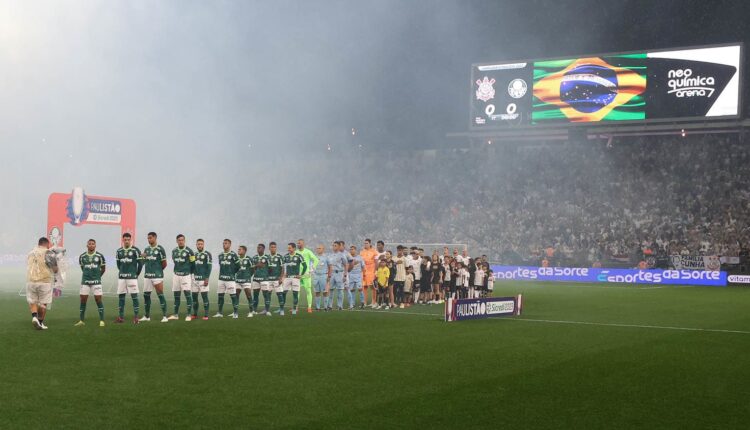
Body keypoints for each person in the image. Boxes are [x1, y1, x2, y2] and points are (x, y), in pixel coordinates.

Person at [26, 237, 58, 330]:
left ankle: (34, 316)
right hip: (45, 281)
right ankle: (40, 322)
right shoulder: (49, 253)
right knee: (43, 303)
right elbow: (55, 270)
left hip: (31, 281)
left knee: (33, 301)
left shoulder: (30, 253)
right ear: (47, 244)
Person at [75, 239, 106, 327]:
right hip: (85, 282)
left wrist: (97, 277)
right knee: (83, 300)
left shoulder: (100, 256)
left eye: (93, 244)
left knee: (98, 300)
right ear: (87, 245)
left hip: (96, 282)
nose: (91, 245)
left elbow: (103, 269)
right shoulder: (82, 256)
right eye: (90, 244)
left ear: (95, 245)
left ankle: (102, 320)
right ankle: (81, 320)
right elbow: (83, 268)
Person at [140, 232, 169, 323]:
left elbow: (164, 264)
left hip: (157, 276)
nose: (149, 240)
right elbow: (143, 262)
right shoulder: (146, 249)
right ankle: (147, 316)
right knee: (146, 296)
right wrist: (143, 257)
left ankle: (165, 316)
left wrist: (158, 271)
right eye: (148, 238)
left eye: (150, 238)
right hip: (147, 276)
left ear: (155, 238)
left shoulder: (160, 249)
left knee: (160, 294)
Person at [116, 232, 143, 324]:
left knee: (134, 297)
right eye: (125, 239)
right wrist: (123, 272)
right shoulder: (119, 251)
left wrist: (136, 274)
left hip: (132, 278)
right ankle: (121, 317)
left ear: (131, 240)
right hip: (122, 278)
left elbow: (140, 264)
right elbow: (118, 265)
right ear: (123, 240)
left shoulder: (135, 250)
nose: (127, 241)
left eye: (128, 239)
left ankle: (136, 317)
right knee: (121, 297)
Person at [169, 234, 195, 321]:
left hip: (186, 276)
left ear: (184, 240)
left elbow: (193, 264)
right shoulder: (174, 251)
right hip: (176, 275)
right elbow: (174, 261)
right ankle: (176, 315)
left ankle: (188, 315)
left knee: (187, 295)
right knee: (176, 296)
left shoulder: (190, 251)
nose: (181, 241)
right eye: (179, 240)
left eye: (182, 240)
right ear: (177, 241)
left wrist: (190, 273)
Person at [215, 239, 240, 318]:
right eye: (223, 243)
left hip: (230, 279)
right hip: (221, 278)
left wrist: (232, 273)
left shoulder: (233, 255)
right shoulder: (220, 255)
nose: (224, 245)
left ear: (230, 244)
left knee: (233, 296)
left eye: (226, 243)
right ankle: (219, 312)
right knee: (220, 296)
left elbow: (238, 266)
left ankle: (235, 313)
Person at [282, 242, 307, 315]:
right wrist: (283, 274)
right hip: (287, 278)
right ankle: (281, 308)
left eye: (289, 248)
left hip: (296, 278)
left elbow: (305, 266)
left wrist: (301, 275)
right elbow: (283, 266)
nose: (288, 249)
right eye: (288, 248)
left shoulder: (299, 256)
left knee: (295, 294)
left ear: (294, 248)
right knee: (283, 293)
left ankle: (294, 309)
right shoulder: (286, 256)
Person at [191, 239, 212, 320]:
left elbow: (209, 267)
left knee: (204, 297)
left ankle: (206, 315)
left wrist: (207, 278)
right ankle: (195, 314)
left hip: (203, 279)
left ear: (203, 245)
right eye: (198, 244)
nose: (200, 245)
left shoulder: (207, 254)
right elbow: (192, 266)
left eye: (201, 244)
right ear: (196, 245)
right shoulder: (193, 254)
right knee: (194, 298)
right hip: (194, 279)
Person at [297, 239, 319, 314]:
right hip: (298, 275)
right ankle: (295, 307)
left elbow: (316, 260)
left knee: (308, 291)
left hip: (306, 274)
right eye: (297, 243)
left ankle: (309, 307)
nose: (298, 244)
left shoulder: (308, 251)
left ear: (303, 244)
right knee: (297, 291)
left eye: (299, 243)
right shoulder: (296, 252)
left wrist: (312, 268)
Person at [250, 243, 269, 315]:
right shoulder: (254, 257)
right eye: (257, 248)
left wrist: (266, 275)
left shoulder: (267, 257)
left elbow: (270, 268)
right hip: (256, 279)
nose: (258, 249)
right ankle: (254, 310)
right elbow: (252, 268)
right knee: (255, 295)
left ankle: (267, 310)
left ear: (263, 249)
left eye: (260, 248)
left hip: (264, 279)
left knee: (266, 295)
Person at [235, 245, 254, 319]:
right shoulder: (236, 259)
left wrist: (249, 276)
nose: (238, 250)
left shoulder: (249, 259)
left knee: (248, 295)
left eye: (240, 249)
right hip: (238, 280)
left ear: (244, 251)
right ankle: (235, 312)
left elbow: (252, 269)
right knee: (236, 296)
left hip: (246, 280)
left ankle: (251, 312)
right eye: (238, 249)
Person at [328, 241, 348, 311]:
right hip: (332, 274)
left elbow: (346, 265)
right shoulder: (330, 255)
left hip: (339, 273)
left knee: (340, 290)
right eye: (333, 245)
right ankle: (329, 305)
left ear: (339, 247)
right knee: (330, 290)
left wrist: (345, 275)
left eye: (335, 245)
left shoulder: (342, 255)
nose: (333, 247)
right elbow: (329, 266)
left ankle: (340, 305)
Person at [267, 242, 285, 315]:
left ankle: (282, 310)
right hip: (268, 279)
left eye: (274, 247)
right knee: (268, 294)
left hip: (277, 279)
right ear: (269, 248)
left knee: (279, 294)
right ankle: (267, 310)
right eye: (272, 247)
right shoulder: (267, 257)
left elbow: (283, 268)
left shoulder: (279, 257)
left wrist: (281, 278)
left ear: (276, 248)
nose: (273, 248)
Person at [312, 245, 331, 311]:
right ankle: (318, 307)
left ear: (323, 249)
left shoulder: (326, 257)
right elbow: (312, 266)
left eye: (319, 248)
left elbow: (330, 266)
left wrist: (329, 276)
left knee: (325, 292)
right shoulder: (314, 257)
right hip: (316, 276)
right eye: (317, 248)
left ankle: (325, 307)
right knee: (317, 291)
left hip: (323, 275)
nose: (318, 249)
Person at [360, 239, 378, 308]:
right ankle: (364, 302)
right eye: (364, 243)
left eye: (367, 243)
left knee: (372, 286)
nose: (365, 244)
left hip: (371, 270)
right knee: (364, 286)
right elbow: (361, 262)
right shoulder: (362, 252)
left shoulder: (374, 251)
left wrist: (376, 271)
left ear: (370, 244)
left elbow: (376, 262)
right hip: (364, 270)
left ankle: (373, 302)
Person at [347, 245, 365, 310]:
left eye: (352, 249)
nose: (351, 250)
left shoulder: (360, 257)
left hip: (358, 275)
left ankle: (363, 303)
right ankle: (353, 303)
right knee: (352, 290)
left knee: (360, 289)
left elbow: (363, 266)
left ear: (355, 250)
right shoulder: (348, 258)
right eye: (350, 249)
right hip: (350, 275)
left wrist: (364, 274)